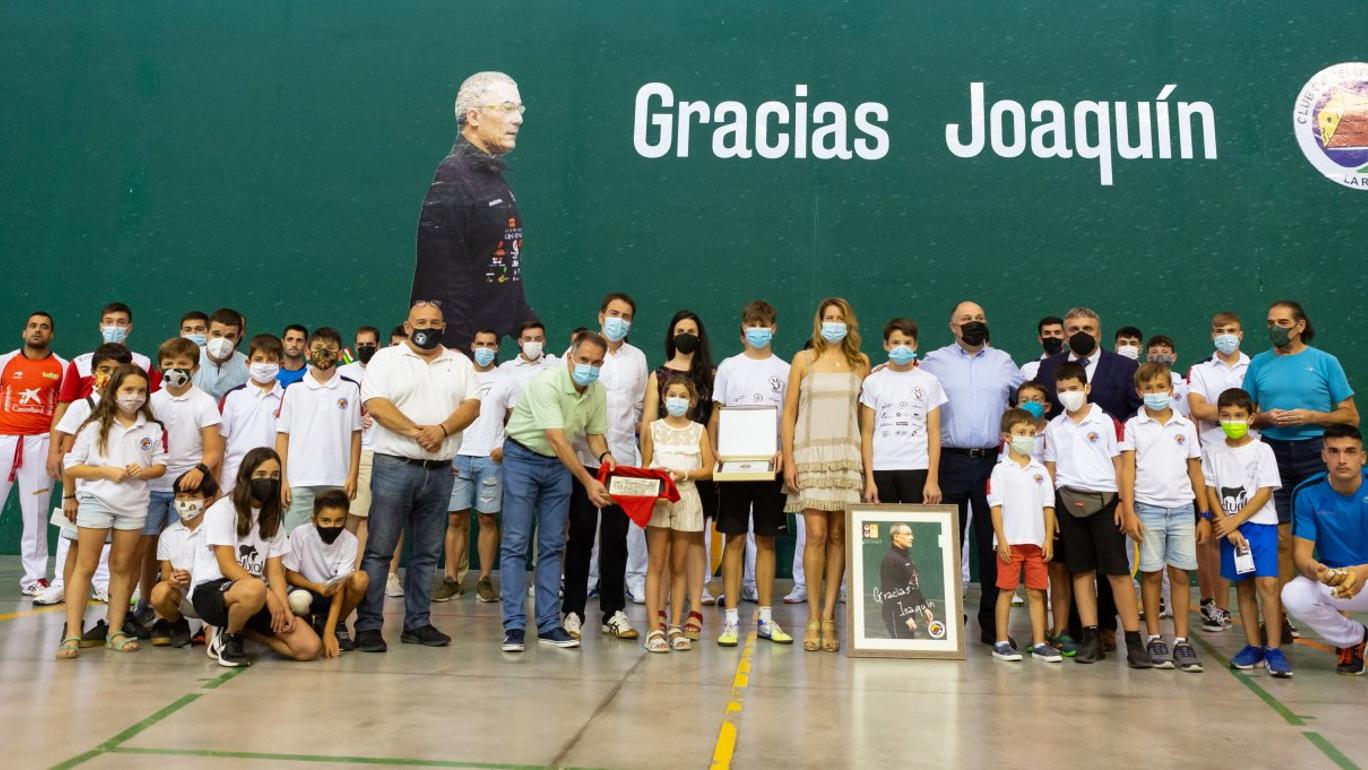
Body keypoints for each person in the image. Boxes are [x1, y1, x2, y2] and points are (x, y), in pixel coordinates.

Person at [353, 301, 481, 653]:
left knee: (427, 553)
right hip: (395, 466)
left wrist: (441, 430)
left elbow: (472, 406)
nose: (429, 326)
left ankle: (418, 623)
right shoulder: (386, 360)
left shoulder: (458, 362)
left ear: (445, 325)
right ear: (407, 327)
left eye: (435, 322)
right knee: (379, 551)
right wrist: (417, 432)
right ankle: (368, 625)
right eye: (421, 321)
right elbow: (376, 405)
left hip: (440, 472)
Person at [1244, 300, 1358, 638]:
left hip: (1316, 452)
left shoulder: (1325, 362)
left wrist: (1311, 417)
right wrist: (1265, 417)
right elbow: (1245, 414)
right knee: (1281, 540)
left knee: (1326, 537)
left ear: (1300, 325)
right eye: (1269, 322)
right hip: (1272, 454)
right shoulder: (1259, 364)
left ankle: (1341, 620)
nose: (1274, 327)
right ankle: (1278, 619)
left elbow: (1350, 416)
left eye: (1282, 321)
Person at [498, 330, 615, 652]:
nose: (588, 367)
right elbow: (557, 439)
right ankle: (514, 626)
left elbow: (594, 436)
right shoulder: (545, 384)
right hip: (522, 457)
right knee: (516, 543)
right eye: (583, 360)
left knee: (551, 545)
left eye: (595, 363)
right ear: (570, 358)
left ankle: (549, 625)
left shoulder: (598, 391)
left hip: (559, 466)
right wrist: (588, 481)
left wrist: (605, 456)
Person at [1034, 307, 1141, 642]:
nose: (1082, 332)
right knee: (1075, 562)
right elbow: (1040, 412)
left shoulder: (1124, 367)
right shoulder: (1049, 367)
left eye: (1088, 327)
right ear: (1064, 334)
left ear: (1099, 332)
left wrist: (1126, 491)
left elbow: (1135, 415)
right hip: (1067, 482)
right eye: (1074, 328)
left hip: (1108, 481)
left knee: (1112, 564)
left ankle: (1109, 627)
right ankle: (1080, 629)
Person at [920, 300, 1023, 644]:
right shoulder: (935, 362)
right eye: (967, 320)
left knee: (991, 544)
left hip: (991, 464)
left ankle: (993, 624)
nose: (974, 324)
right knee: (944, 544)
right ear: (953, 327)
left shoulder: (1004, 362)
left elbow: (1026, 400)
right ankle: (946, 619)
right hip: (948, 462)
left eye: (980, 318)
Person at [412, 71, 534, 349]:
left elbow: (503, 264)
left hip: (488, 350)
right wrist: (460, 354)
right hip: (465, 352)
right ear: (474, 117)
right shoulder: (453, 179)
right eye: (507, 108)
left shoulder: (491, 176)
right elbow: (444, 281)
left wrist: (527, 325)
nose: (518, 118)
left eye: (519, 108)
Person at [1042, 362, 1148, 667]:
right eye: (1062, 391)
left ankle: (1133, 640)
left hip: (1106, 504)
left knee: (1117, 573)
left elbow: (1121, 466)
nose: (1068, 395)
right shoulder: (1054, 427)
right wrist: (1052, 512)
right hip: (1067, 503)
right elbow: (1050, 471)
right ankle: (1090, 637)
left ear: (1086, 388)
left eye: (1073, 389)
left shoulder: (1107, 422)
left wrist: (1123, 504)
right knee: (1081, 572)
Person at [58, 364, 167, 658]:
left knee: (122, 567)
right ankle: (72, 634)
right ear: (114, 391)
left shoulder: (152, 427)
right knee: (86, 565)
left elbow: (160, 466)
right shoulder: (94, 427)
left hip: (133, 506)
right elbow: (71, 465)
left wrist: (144, 471)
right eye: (128, 390)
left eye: (141, 391)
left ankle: (115, 630)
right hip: (96, 501)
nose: (135, 397)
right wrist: (105, 471)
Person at [784, 297, 868, 654]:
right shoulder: (803, 360)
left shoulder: (861, 363)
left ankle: (830, 616)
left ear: (849, 324)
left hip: (846, 457)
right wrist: (789, 460)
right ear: (818, 323)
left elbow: (865, 419)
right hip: (809, 455)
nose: (833, 323)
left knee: (838, 537)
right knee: (815, 534)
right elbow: (788, 413)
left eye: (840, 318)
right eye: (828, 318)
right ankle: (813, 615)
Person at [562, 294, 647, 641]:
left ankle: (614, 612)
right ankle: (573, 612)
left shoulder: (637, 359)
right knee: (580, 537)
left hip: (622, 462)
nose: (619, 320)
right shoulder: (583, 356)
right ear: (600, 316)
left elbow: (639, 408)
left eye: (626, 315)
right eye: (614, 313)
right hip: (583, 462)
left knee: (616, 540)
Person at [190, 447, 322, 667]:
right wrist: (269, 596)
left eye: (275, 476)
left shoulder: (271, 517)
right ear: (244, 476)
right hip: (212, 592)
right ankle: (231, 637)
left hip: (255, 594)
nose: (268, 481)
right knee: (256, 588)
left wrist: (284, 609)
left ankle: (246, 632)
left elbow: (275, 571)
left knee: (309, 647)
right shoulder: (222, 509)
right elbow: (227, 566)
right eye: (261, 475)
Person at [710, 301, 790, 648]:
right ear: (743, 330)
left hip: (770, 467)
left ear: (774, 329)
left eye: (765, 324)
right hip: (733, 468)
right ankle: (730, 620)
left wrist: (784, 451)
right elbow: (717, 414)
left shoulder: (786, 370)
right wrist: (715, 453)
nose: (759, 330)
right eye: (752, 325)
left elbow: (790, 420)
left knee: (767, 540)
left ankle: (766, 618)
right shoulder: (729, 367)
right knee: (734, 539)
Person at [1119, 363, 1208, 672]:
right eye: (1148, 389)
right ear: (1139, 392)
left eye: (1161, 388)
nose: (1155, 394)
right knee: (1152, 574)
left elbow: (1196, 471)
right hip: (1146, 509)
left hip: (1183, 509)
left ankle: (1182, 641)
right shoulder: (1133, 426)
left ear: (1172, 390)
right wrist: (1128, 510)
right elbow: (1127, 470)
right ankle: (1155, 637)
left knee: (1181, 575)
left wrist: (1205, 514)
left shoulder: (1185, 426)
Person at [1202, 387, 1290, 676]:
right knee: (1244, 587)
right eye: (1226, 416)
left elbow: (1264, 492)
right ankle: (1253, 646)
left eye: (1239, 416)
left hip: (1259, 526)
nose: (1233, 420)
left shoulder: (1263, 450)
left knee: (1268, 586)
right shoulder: (1212, 451)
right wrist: (1225, 523)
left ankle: (1273, 649)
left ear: (1252, 418)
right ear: (1219, 417)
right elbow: (1210, 490)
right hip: (1229, 529)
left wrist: (1235, 521)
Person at [640, 310, 717, 634]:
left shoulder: (710, 374)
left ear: (700, 337)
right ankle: (660, 614)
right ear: (672, 334)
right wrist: (646, 471)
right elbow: (646, 421)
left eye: (692, 330)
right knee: (662, 550)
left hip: (698, 465)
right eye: (680, 329)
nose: (686, 334)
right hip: (663, 466)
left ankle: (694, 609)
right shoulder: (657, 375)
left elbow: (714, 419)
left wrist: (709, 457)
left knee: (695, 540)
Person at [139, 337, 223, 630]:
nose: (175, 370)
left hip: (187, 492)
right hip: (150, 487)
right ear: (160, 366)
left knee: (186, 550)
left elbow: (214, 449)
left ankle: (191, 612)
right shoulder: (150, 400)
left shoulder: (204, 402)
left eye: (183, 365)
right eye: (169, 365)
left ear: (196, 368)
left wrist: (200, 470)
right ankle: (146, 604)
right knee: (148, 547)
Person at [37, 343, 130, 608]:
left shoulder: (135, 406)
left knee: (114, 552)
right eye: (104, 369)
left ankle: (104, 591)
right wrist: (69, 495)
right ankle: (65, 593)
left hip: (118, 493)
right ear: (92, 373)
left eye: (117, 370)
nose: (110, 376)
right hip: (82, 492)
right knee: (74, 547)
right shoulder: (81, 406)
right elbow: (69, 453)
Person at [1281, 424, 1368, 675]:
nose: (1342, 459)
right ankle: (1353, 639)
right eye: (1334, 451)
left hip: (1366, 575)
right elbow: (1301, 556)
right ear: (1323, 456)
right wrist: (1317, 571)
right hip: (1336, 582)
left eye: (1350, 452)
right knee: (1294, 594)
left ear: (1362, 457)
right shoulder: (1307, 493)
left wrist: (1362, 571)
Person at [436, 329, 512, 604]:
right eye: (479, 343)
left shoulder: (507, 380)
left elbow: (515, 419)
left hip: (490, 460)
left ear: (497, 348)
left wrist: (506, 447)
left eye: (490, 344)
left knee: (487, 520)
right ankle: (451, 579)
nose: (484, 348)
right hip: (458, 459)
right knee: (456, 519)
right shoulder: (459, 375)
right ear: (471, 345)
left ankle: (484, 580)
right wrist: (448, 452)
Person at [1187, 310, 1250, 632]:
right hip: (1210, 459)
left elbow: (1262, 410)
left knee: (1261, 535)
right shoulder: (1199, 370)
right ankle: (1216, 606)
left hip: (1251, 460)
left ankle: (1272, 613)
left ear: (1241, 334)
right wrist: (1239, 414)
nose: (1226, 334)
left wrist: (1220, 415)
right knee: (1213, 534)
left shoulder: (1256, 367)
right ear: (1212, 335)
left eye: (1232, 329)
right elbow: (1197, 409)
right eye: (1220, 330)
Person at [47, 303, 160, 479]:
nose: (114, 327)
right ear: (101, 326)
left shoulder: (143, 363)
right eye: (109, 321)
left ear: (129, 327)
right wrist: (53, 452)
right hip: (82, 448)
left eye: (121, 322)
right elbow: (63, 407)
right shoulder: (80, 362)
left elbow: (148, 404)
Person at [987, 408, 1060, 662]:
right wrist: (1002, 540)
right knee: (1006, 591)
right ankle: (1001, 642)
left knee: (1037, 592)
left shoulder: (1040, 470)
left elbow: (1048, 507)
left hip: (1036, 545)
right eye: (1021, 433)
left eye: (1030, 433)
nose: (1027, 437)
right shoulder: (1000, 470)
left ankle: (1040, 643)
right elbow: (995, 507)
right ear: (1007, 437)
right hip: (1010, 544)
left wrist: (1048, 538)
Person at [1, 311, 66, 595]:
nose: (38, 331)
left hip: (40, 444)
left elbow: (64, 412)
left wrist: (57, 449)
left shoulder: (63, 367)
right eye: (32, 326)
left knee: (36, 514)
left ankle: (35, 577)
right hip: (3, 440)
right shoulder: (4, 363)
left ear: (51, 335)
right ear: (24, 332)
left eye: (44, 327)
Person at [276, 327, 362, 532]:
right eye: (318, 347)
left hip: (338, 479)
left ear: (340, 354)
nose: (324, 352)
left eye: (331, 348)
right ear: (307, 352)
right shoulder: (293, 389)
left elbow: (355, 434)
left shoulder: (350, 389)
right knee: (294, 543)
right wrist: (283, 480)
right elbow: (282, 436)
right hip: (299, 480)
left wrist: (353, 475)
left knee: (331, 541)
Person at [859, 317, 945, 505]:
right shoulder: (872, 382)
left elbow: (935, 433)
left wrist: (932, 479)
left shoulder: (929, 382)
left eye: (907, 343)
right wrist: (869, 480)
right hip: (880, 468)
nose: (902, 347)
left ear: (915, 346)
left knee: (916, 532)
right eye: (896, 343)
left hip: (918, 467)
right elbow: (866, 433)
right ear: (885, 345)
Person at [285, 488, 369, 658]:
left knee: (361, 579)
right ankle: (307, 625)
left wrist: (329, 633)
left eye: (339, 521)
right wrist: (315, 586)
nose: (332, 526)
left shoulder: (350, 540)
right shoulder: (300, 534)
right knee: (299, 601)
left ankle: (335, 624)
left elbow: (341, 583)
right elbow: (289, 573)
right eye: (326, 520)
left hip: (334, 592)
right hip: (307, 590)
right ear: (314, 519)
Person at [148, 469, 217, 649]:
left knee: (212, 646)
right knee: (159, 592)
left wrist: (194, 579)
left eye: (193, 497)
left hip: (212, 597)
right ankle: (177, 623)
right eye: (181, 496)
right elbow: (165, 575)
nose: (185, 502)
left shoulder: (216, 530)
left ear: (207, 501)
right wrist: (173, 580)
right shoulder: (168, 534)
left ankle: (216, 628)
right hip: (185, 598)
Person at [337, 326, 381, 566]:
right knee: (347, 513)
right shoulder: (343, 372)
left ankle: (356, 570)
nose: (365, 349)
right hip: (346, 453)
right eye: (361, 345)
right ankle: (340, 566)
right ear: (354, 347)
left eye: (370, 345)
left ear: (379, 346)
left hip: (377, 451)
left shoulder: (386, 370)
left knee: (365, 515)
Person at [219, 334, 285, 490]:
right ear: (248, 363)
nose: (264, 365)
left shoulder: (289, 397)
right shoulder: (233, 397)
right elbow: (220, 443)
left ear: (281, 364)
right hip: (234, 479)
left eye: (271, 360)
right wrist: (216, 483)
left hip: (274, 479)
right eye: (259, 359)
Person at [878, 524, 938, 639]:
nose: (912, 537)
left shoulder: (905, 557)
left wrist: (923, 607)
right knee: (900, 650)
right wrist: (904, 616)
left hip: (908, 613)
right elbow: (890, 592)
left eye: (911, 534)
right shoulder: (890, 560)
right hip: (896, 615)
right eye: (908, 534)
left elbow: (913, 586)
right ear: (896, 537)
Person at [193, 308, 249, 400]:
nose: (222, 341)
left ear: (238, 338)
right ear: (206, 333)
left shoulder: (247, 366)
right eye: (216, 334)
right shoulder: (189, 359)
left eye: (229, 336)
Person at [498, 319, 559, 392]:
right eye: (528, 339)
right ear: (520, 342)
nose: (533, 342)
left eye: (538, 339)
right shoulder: (506, 368)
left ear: (544, 342)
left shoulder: (555, 364)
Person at [1020, 316, 1065, 382]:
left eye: (1057, 332)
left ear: (1065, 338)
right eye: (1047, 333)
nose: (1052, 336)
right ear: (1040, 339)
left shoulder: (1076, 366)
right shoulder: (1027, 369)